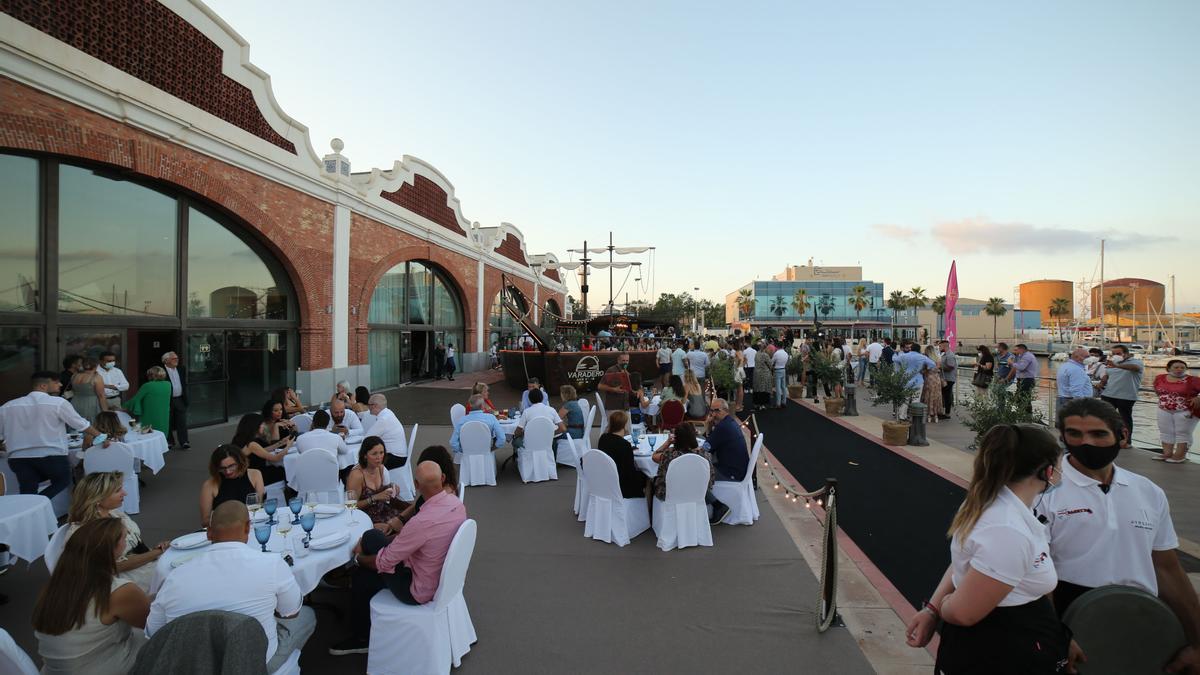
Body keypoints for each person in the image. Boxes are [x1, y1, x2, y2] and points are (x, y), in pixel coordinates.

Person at [1044, 397, 1200, 672]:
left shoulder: (1148, 491)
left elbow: (1167, 569)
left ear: (1122, 434)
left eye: (1098, 434)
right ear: (1062, 437)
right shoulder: (1043, 491)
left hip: (1141, 618)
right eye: (1075, 434)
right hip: (1070, 618)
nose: (1086, 443)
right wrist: (1054, 636)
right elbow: (1032, 573)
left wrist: (1197, 642)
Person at [905, 424, 1068, 673]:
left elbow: (970, 566)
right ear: (1047, 472)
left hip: (1011, 640)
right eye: (1059, 463)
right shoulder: (1006, 529)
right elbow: (963, 612)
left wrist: (932, 609)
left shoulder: (991, 502)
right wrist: (946, 605)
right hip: (1001, 651)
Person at [148, 501, 314, 672]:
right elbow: (291, 613)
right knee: (307, 616)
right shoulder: (272, 564)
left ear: (209, 533)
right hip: (257, 663)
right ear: (248, 528)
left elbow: (154, 632)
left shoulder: (175, 577)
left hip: (195, 666)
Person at [332, 461, 466, 656]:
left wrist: (358, 559)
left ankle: (362, 638)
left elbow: (384, 563)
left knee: (362, 576)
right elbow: (412, 542)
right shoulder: (456, 504)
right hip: (439, 574)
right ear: (443, 479)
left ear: (417, 485)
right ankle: (361, 557)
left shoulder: (421, 522)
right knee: (372, 537)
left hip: (418, 589)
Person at [32, 518, 150, 675]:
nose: (127, 538)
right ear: (113, 548)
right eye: (124, 537)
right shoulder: (117, 590)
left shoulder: (54, 587)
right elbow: (151, 624)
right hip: (105, 667)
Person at [66, 471, 168, 593]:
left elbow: (134, 546)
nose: (124, 493)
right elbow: (113, 567)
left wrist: (153, 551)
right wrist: (158, 552)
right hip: (125, 581)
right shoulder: (88, 532)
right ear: (98, 498)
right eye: (117, 491)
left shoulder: (114, 513)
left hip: (141, 566)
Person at [0, 372, 98, 498]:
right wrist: (101, 435)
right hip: (51, 454)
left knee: (28, 489)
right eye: (56, 382)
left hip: (19, 457)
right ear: (43, 386)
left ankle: (32, 510)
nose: (61, 384)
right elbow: (81, 424)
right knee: (63, 481)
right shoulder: (57, 403)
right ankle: (39, 504)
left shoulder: (8, 406)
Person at [344, 436, 408, 528]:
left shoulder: (380, 468)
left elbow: (384, 491)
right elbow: (351, 507)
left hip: (384, 510)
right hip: (366, 518)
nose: (379, 457)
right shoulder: (357, 475)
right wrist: (374, 498)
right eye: (374, 454)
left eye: (381, 453)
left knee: (412, 515)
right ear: (365, 455)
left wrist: (392, 487)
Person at [198, 445, 265, 527]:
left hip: (252, 525)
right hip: (225, 530)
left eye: (231, 466)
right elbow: (205, 521)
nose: (227, 471)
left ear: (240, 462)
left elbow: (258, 506)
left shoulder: (255, 475)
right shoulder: (209, 485)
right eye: (222, 468)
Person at [701, 399, 744, 524]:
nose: (713, 414)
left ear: (725, 411)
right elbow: (710, 444)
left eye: (716, 411)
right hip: (737, 467)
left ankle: (718, 506)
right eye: (711, 411)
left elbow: (704, 448)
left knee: (695, 474)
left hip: (732, 472)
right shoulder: (729, 422)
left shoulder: (723, 428)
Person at [651, 421, 715, 505]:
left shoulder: (670, 455)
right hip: (697, 493)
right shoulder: (705, 455)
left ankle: (651, 514)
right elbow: (711, 480)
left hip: (670, 495)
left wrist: (668, 443)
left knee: (650, 480)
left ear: (676, 438)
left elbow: (654, 456)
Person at [1152, 359, 1200, 463]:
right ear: (1169, 368)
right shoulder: (1160, 378)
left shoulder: (1193, 380)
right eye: (1176, 367)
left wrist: (1198, 397)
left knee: (1183, 433)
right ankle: (1167, 453)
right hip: (1163, 409)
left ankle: (1179, 456)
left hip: (1186, 410)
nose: (1179, 370)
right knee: (1165, 432)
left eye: (1182, 367)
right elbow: (1157, 391)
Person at [1098, 344, 1143, 448]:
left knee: (1125, 420)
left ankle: (1126, 442)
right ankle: (1108, 439)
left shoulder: (1136, 362)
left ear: (1126, 354)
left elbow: (1135, 368)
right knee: (1105, 419)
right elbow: (1108, 374)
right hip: (1108, 394)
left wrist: (1116, 365)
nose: (1115, 355)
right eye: (1113, 354)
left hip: (1126, 396)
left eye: (1118, 353)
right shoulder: (1111, 363)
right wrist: (1102, 381)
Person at [597, 410, 648, 499]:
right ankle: (644, 508)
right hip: (622, 485)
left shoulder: (603, 438)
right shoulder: (624, 445)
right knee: (648, 477)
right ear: (624, 425)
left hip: (605, 480)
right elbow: (630, 470)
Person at [231, 413, 291, 486]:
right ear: (256, 426)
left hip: (247, 474)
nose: (264, 426)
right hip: (256, 475)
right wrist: (288, 446)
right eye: (262, 424)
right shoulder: (251, 444)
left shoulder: (239, 440)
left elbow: (261, 450)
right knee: (285, 470)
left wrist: (281, 443)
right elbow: (275, 458)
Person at [366, 394, 409, 470]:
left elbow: (367, 439)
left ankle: (371, 481)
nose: (368, 407)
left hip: (395, 458)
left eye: (369, 405)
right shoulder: (388, 413)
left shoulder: (383, 419)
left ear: (374, 405)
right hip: (399, 456)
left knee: (365, 462)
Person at [125, 366, 170, 434]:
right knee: (161, 431)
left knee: (147, 433)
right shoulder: (168, 384)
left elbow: (136, 399)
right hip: (163, 413)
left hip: (149, 414)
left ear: (152, 375)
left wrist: (123, 407)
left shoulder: (148, 385)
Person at [161, 352, 189, 450]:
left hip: (180, 399)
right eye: (173, 358)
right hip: (167, 400)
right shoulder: (161, 371)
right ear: (166, 360)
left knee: (182, 422)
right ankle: (169, 442)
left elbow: (183, 383)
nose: (176, 360)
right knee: (167, 421)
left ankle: (184, 442)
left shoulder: (181, 369)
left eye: (177, 358)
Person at [70, 357, 109, 422]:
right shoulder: (96, 377)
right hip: (91, 404)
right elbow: (101, 396)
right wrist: (106, 411)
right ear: (96, 365)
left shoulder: (74, 375)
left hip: (74, 403)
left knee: (76, 423)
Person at [598, 352, 636, 417]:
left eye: (627, 361)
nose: (625, 362)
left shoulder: (626, 372)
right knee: (614, 427)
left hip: (625, 407)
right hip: (614, 408)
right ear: (618, 360)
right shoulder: (611, 370)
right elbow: (600, 386)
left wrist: (634, 391)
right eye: (623, 360)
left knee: (627, 427)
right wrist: (614, 389)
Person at [1006, 343, 1039, 410]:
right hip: (1022, 380)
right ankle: (1022, 414)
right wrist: (1012, 362)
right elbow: (1016, 366)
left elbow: (1021, 367)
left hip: (1027, 380)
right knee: (1020, 399)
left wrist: (1011, 362)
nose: (1014, 352)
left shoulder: (1027, 356)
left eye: (1016, 350)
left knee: (1024, 399)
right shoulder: (1021, 356)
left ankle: (1027, 416)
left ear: (1021, 349)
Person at [920, 346, 944, 425]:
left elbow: (923, 371)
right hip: (937, 379)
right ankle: (936, 415)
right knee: (936, 396)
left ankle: (929, 415)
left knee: (928, 396)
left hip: (929, 379)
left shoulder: (927, 360)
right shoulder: (938, 360)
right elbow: (939, 370)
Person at [938, 340, 957, 419]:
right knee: (944, 395)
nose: (939, 348)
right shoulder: (945, 355)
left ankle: (947, 413)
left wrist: (940, 367)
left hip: (949, 379)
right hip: (945, 378)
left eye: (940, 346)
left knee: (947, 395)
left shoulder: (950, 355)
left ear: (944, 346)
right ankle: (944, 412)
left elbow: (951, 367)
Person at [770, 341, 789, 409]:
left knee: (778, 388)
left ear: (777, 346)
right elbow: (787, 362)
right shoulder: (786, 353)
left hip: (777, 370)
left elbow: (771, 362)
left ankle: (778, 403)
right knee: (783, 387)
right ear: (783, 346)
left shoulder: (776, 353)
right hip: (783, 369)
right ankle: (784, 402)